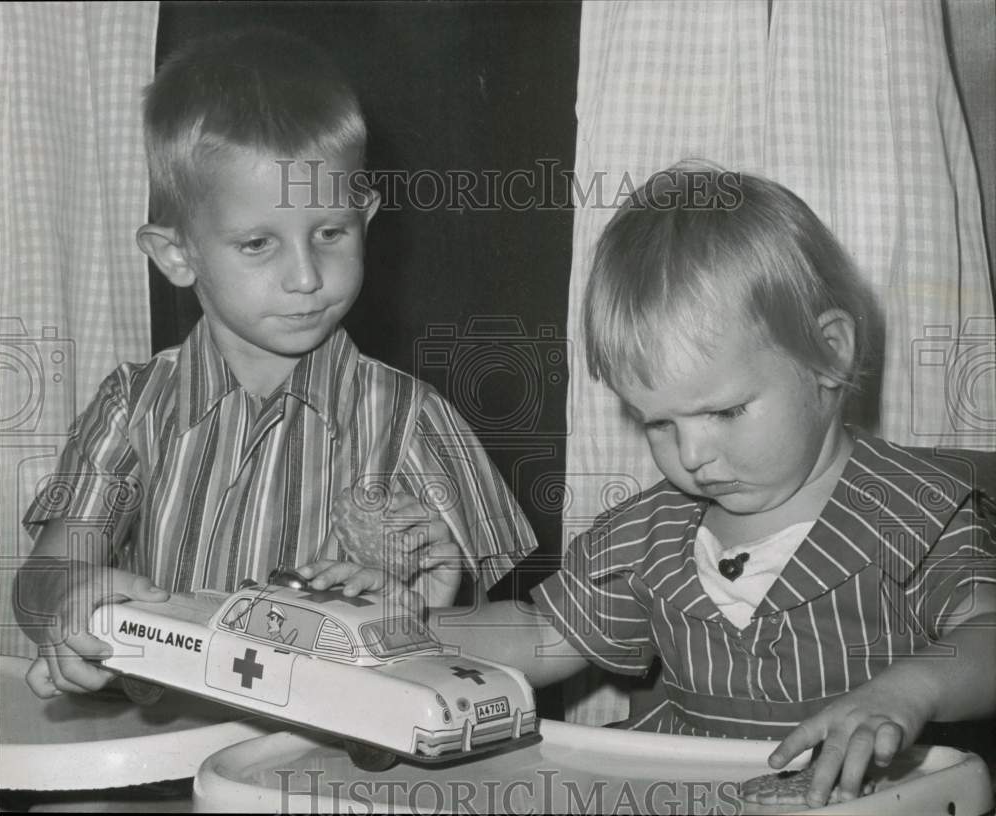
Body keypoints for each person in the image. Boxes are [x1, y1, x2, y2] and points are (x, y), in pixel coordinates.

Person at [310, 163, 996, 808]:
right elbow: (539, 633)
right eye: (658, 423)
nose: (693, 455)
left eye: (725, 411)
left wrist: (908, 692)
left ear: (829, 354)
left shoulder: (916, 510)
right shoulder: (651, 533)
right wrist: (405, 628)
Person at [13, 28, 537, 700]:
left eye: (330, 233)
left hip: (327, 772)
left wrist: (423, 608)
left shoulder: (415, 422)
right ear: (177, 255)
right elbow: (45, 572)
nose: (306, 277)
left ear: (366, 217)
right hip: (158, 749)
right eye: (259, 243)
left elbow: (489, 643)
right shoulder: (131, 408)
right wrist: (70, 598)